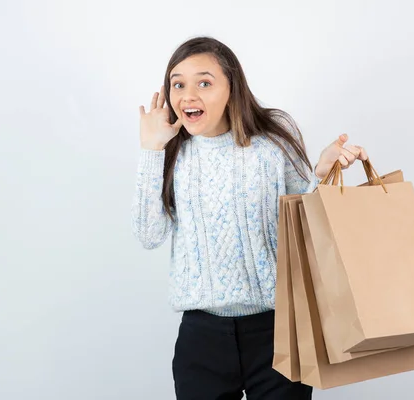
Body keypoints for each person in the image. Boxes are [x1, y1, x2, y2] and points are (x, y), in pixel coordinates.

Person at [131, 36, 368, 400]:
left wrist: (320, 173)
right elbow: (148, 235)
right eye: (178, 83)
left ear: (231, 87)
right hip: (202, 338)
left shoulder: (272, 141)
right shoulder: (170, 153)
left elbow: (305, 220)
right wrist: (151, 150)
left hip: (278, 330)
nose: (188, 94)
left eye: (204, 82)